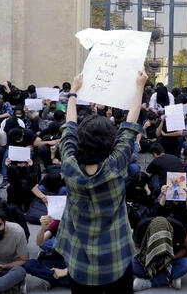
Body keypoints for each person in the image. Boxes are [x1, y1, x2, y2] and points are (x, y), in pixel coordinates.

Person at [54, 71, 146, 293]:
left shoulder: (69, 165)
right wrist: (139, 86)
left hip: (80, 262)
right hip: (116, 258)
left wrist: (74, 91)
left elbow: (69, 127)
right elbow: (129, 125)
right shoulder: (116, 165)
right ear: (110, 142)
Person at [132, 217, 187, 291]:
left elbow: (185, 248)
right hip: (148, 259)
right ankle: (169, 279)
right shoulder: (142, 226)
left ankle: (148, 282)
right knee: (131, 264)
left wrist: (170, 259)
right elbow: (136, 247)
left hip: (171, 259)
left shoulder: (178, 227)